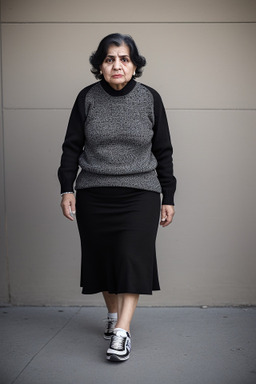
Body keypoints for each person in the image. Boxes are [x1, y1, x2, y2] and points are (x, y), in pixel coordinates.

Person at [58, 33, 176, 362]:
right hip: (94, 192)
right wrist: (67, 188)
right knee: (105, 259)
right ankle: (112, 317)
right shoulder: (87, 98)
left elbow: (163, 151)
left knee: (130, 258)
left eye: (124, 59)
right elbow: (71, 148)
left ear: (135, 65)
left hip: (141, 192)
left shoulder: (150, 99)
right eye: (110, 59)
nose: (117, 65)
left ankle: (122, 332)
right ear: (100, 65)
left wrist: (169, 195)